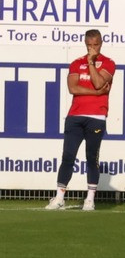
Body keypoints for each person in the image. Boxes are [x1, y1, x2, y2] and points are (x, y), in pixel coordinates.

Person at [47, 29, 114, 211]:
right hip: (75, 116)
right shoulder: (76, 63)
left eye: (96, 45)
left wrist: (92, 63)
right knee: (68, 156)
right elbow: (73, 88)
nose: (93, 48)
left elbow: (100, 83)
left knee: (91, 158)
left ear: (101, 43)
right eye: (89, 45)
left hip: (96, 116)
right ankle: (60, 197)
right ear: (86, 44)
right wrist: (96, 92)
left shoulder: (108, 63)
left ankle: (90, 199)